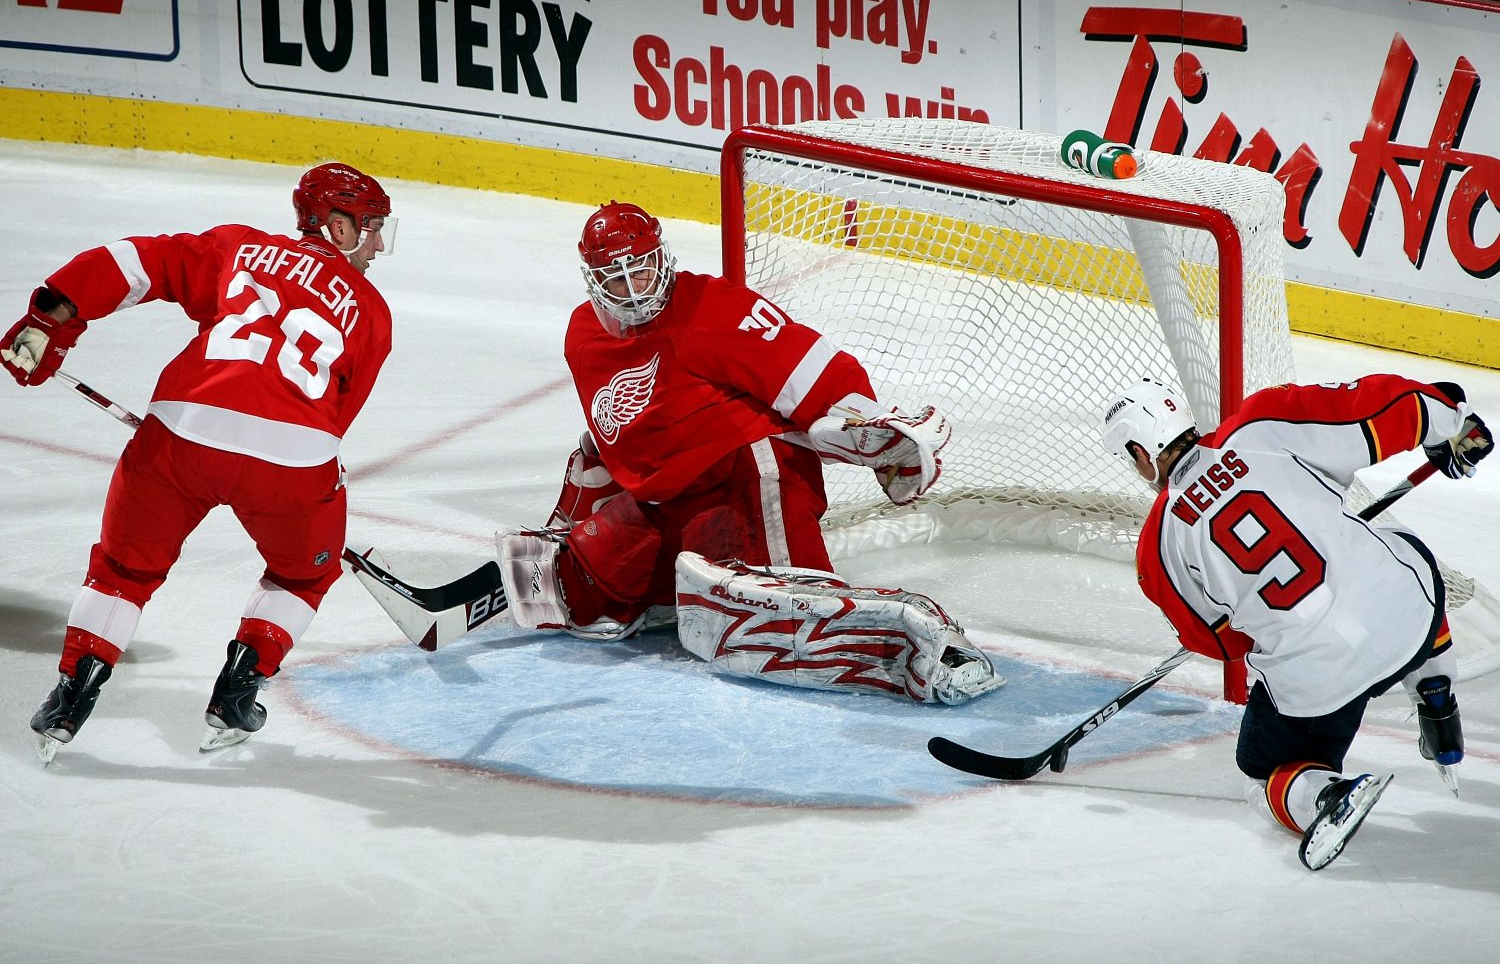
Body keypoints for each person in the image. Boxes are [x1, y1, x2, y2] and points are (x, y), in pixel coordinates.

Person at [498, 200, 1003, 705]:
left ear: (662, 258)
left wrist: (856, 418)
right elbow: (621, 433)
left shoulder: (710, 307)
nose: (634, 290)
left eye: (643, 270)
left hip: (751, 474)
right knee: (581, 589)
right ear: (592, 279)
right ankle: (678, 591)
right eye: (616, 278)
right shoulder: (583, 336)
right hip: (673, 501)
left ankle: (929, 649)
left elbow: (803, 361)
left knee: (784, 607)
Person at [4, 162, 396, 762]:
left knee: (122, 570)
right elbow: (335, 420)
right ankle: (238, 691)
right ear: (338, 229)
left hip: (181, 434)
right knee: (303, 573)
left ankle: (70, 696)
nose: (377, 246)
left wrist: (53, 315)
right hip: (292, 462)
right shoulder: (371, 311)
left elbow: (135, 261)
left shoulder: (239, 247)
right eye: (371, 230)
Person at [1101, 374, 1492, 869]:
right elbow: (1376, 411)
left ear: (1140, 450)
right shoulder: (1262, 423)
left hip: (1318, 682)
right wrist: (1449, 421)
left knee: (1263, 769)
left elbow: (1220, 643)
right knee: (1404, 559)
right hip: (1407, 615)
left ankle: (1325, 796)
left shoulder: (1157, 549)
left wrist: (1263, 612)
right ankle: (1436, 692)